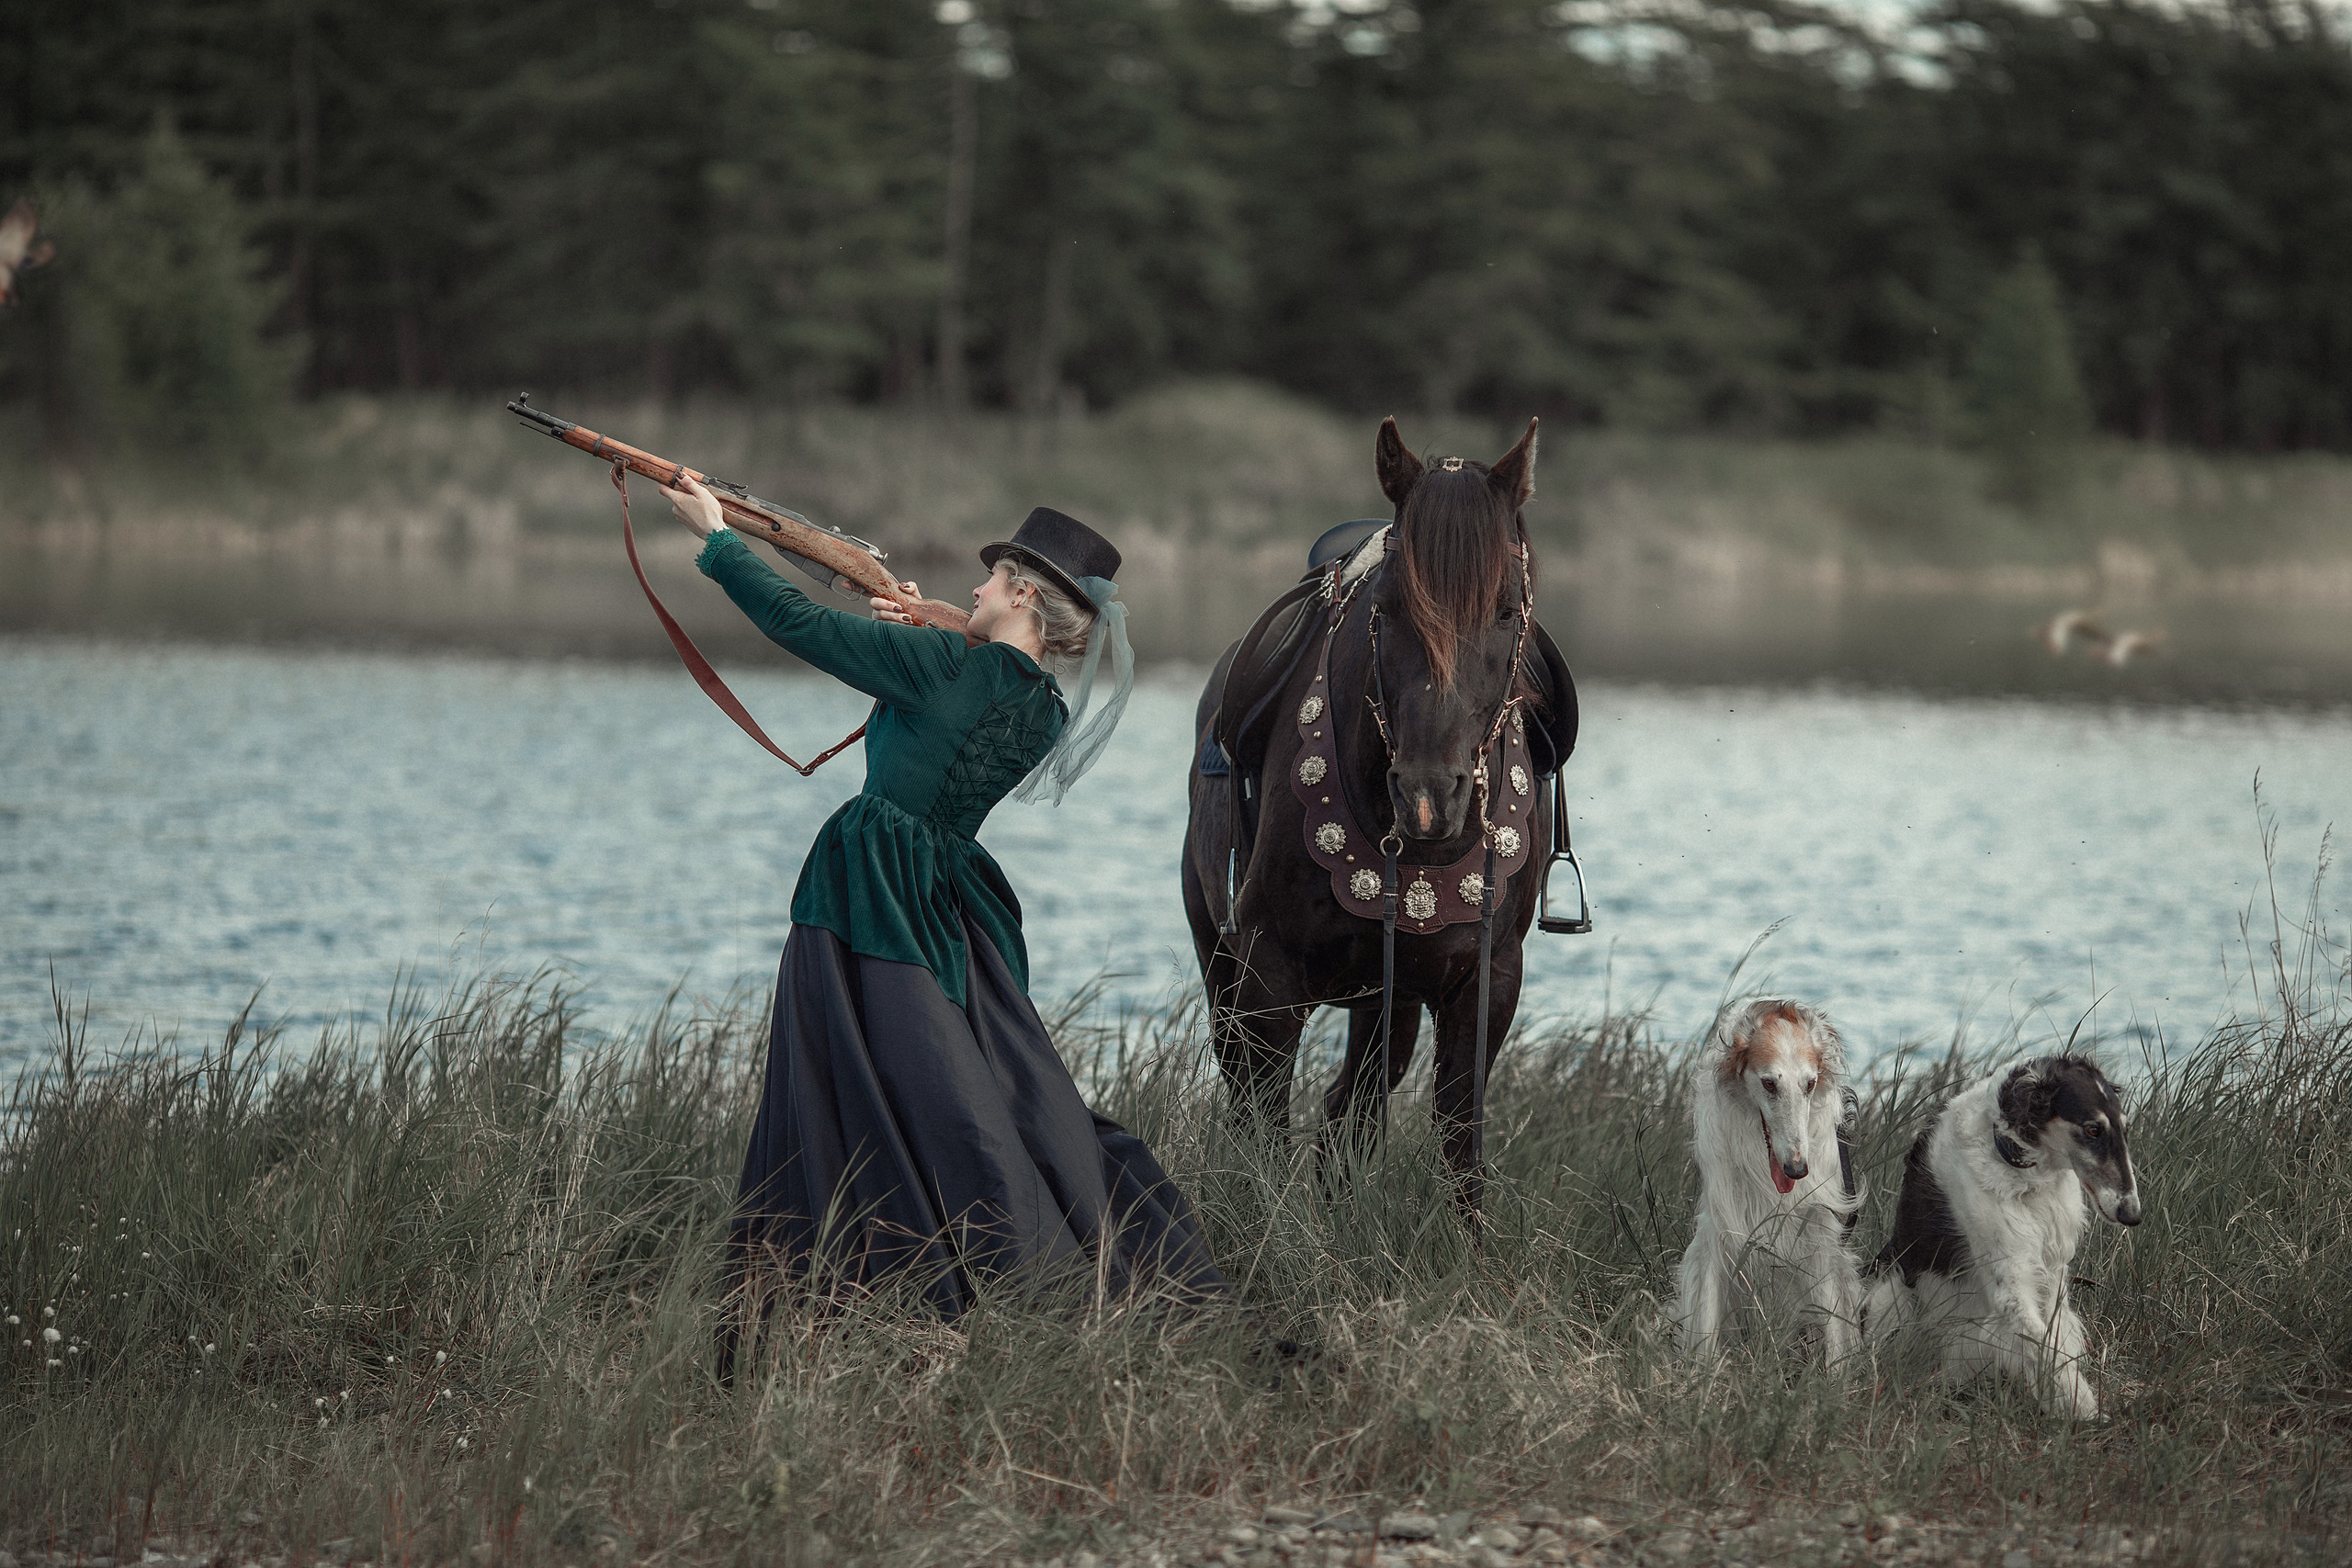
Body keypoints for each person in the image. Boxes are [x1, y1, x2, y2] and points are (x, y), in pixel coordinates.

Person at [656, 475, 1228, 1356]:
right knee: (942, 1089)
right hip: (947, 903)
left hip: (868, 887)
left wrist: (718, 538)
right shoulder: (1040, 708)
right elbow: (954, 707)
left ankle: (846, 1299)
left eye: (991, 580)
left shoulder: (944, 665)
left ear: (1025, 593)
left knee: (831, 1085)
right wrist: (918, 626)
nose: (975, 590)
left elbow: (801, 626)